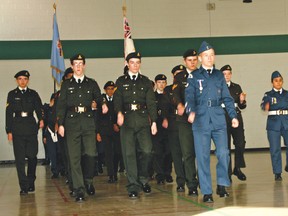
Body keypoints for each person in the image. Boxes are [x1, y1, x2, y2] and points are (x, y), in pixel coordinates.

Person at [185, 41, 239, 203]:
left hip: (218, 118)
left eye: (212, 55)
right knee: (203, 157)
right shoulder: (194, 76)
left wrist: (233, 116)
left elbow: (227, 98)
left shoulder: (219, 76)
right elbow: (189, 97)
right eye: (206, 56)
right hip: (201, 120)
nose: (209, 58)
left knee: (223, 153)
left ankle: (222, 183)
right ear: (200, 58)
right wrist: (191, 111)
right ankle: (207, 191)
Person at [56, 54, 108, 202]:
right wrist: (60, 124)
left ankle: (88, 180)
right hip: (71, 123)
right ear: (72, 66)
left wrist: (103, 104)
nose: (78, 66)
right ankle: (79, 189)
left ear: (84, 65)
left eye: (81, 63)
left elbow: (99, 97)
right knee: (74, 158)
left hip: (88, 122)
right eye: (75, 64)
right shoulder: (66, 85)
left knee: (91, 154)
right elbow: (61, 106)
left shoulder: (91, 83)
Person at [114, 51, 157, 198]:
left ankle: (143, 179)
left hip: (143, 120)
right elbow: (117, 100)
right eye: (132, 62)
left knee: (147, 151)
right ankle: (133, 185)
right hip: (127, 121)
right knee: (129, 154)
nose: (135, 65)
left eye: (137, 62)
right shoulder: (120, 81)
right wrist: (119, 113)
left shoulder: (145, 81)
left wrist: (154, 121)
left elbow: (151, 103)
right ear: (127, 64)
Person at [5, 70, 44, 195]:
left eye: (25, 79)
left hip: (31, 128)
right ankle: (23, 186)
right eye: (20, 79)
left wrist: (41, 120)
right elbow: (8, 113)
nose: (22, 81)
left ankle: (31, 181)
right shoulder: (12, 94)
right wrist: (9, 130)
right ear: (17, 80)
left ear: (28, 80)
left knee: (32, 156)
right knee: (20, 159)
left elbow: (39, 109)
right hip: (17, 129)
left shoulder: (33, 94)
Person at [172, 49, 199, 196]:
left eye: (195, 59)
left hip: (201, 119)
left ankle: (203, 179)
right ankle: (192, 184)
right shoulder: (180, 77)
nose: (193, 62)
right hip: (184, 120)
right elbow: (175, 94)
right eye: (189, 60)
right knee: (187, 153)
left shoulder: (203, 75)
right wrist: (179, 105)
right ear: (184, 61)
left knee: (201, 152)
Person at [220, 64, 247, 181]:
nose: (226, 76)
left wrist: (242, 101)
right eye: (224, 74)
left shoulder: (237, 87)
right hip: (222, 116)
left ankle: (237, 168)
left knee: (240, 143)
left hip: (236, 116)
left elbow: (242, 106)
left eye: (228, 73)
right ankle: (228, 172)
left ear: (231, 74)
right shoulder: (218, 87)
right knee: (226, 146)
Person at [162, 65, 187, 190]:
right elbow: (165, 105)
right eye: (177, 73)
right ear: (173, 75)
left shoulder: (188, 87)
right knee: (176, 154)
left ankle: (191, 176)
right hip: (173, 123)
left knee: (188, 153)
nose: (179, 76)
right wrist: (165, 119)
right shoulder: (168, 89)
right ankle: (181, 181)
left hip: (187, 122)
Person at [260, 71, 288, 181]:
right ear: (272, 82)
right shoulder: (268, 95)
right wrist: (265, 106)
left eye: (280, 80)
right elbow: (263, 106)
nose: (278, 83)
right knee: (275, 149)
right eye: (276, 81)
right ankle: (277, 172)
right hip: (273, 124)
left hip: (286, 122)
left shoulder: (287, 94)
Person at [97, 81, 122, 183]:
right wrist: (98, 132)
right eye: (108, 89)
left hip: (116, 131)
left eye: (112, 89)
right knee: (108, 153)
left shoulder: (117, 100)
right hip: (105, 131)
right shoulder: (101, 102)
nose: (110, 91)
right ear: (105, 90)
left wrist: (118, 125)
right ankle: (111, 175)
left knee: (117, 152)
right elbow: (97, 117)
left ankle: (115, 172)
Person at [151, 74, 173, 184]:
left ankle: (167, 173)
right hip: (156, 127)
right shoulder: (152, 96)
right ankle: (159, 175)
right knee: (158, 152)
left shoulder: (170, 95)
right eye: (159, 82)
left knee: (168, 151)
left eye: (164, 82)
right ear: (155, 83)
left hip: (169, 127)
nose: (161, 84)